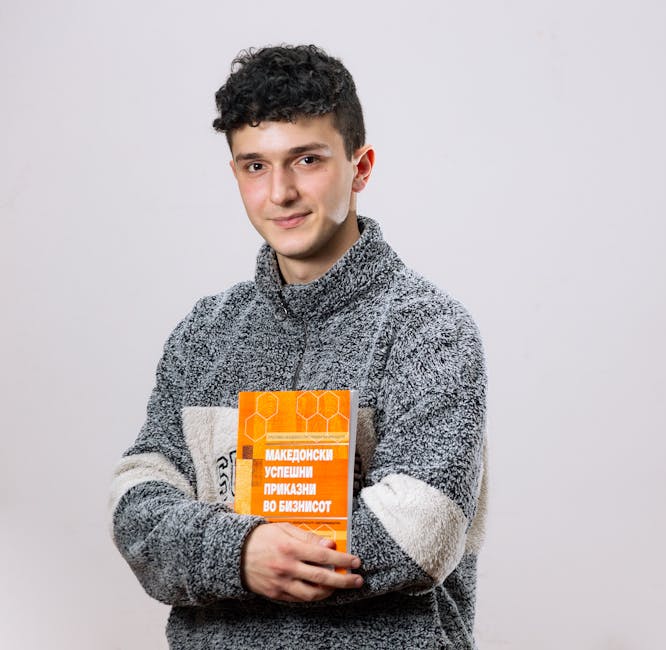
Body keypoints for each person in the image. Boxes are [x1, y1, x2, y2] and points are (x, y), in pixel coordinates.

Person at [110, 44, 488, 649]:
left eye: (306, 160)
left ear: (360, 167)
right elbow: (137, 505)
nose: (279, 192)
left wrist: (249, 552)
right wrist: (239, 553)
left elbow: (418, 536)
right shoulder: (204, 333)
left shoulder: (429, 330)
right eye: (255, 166)